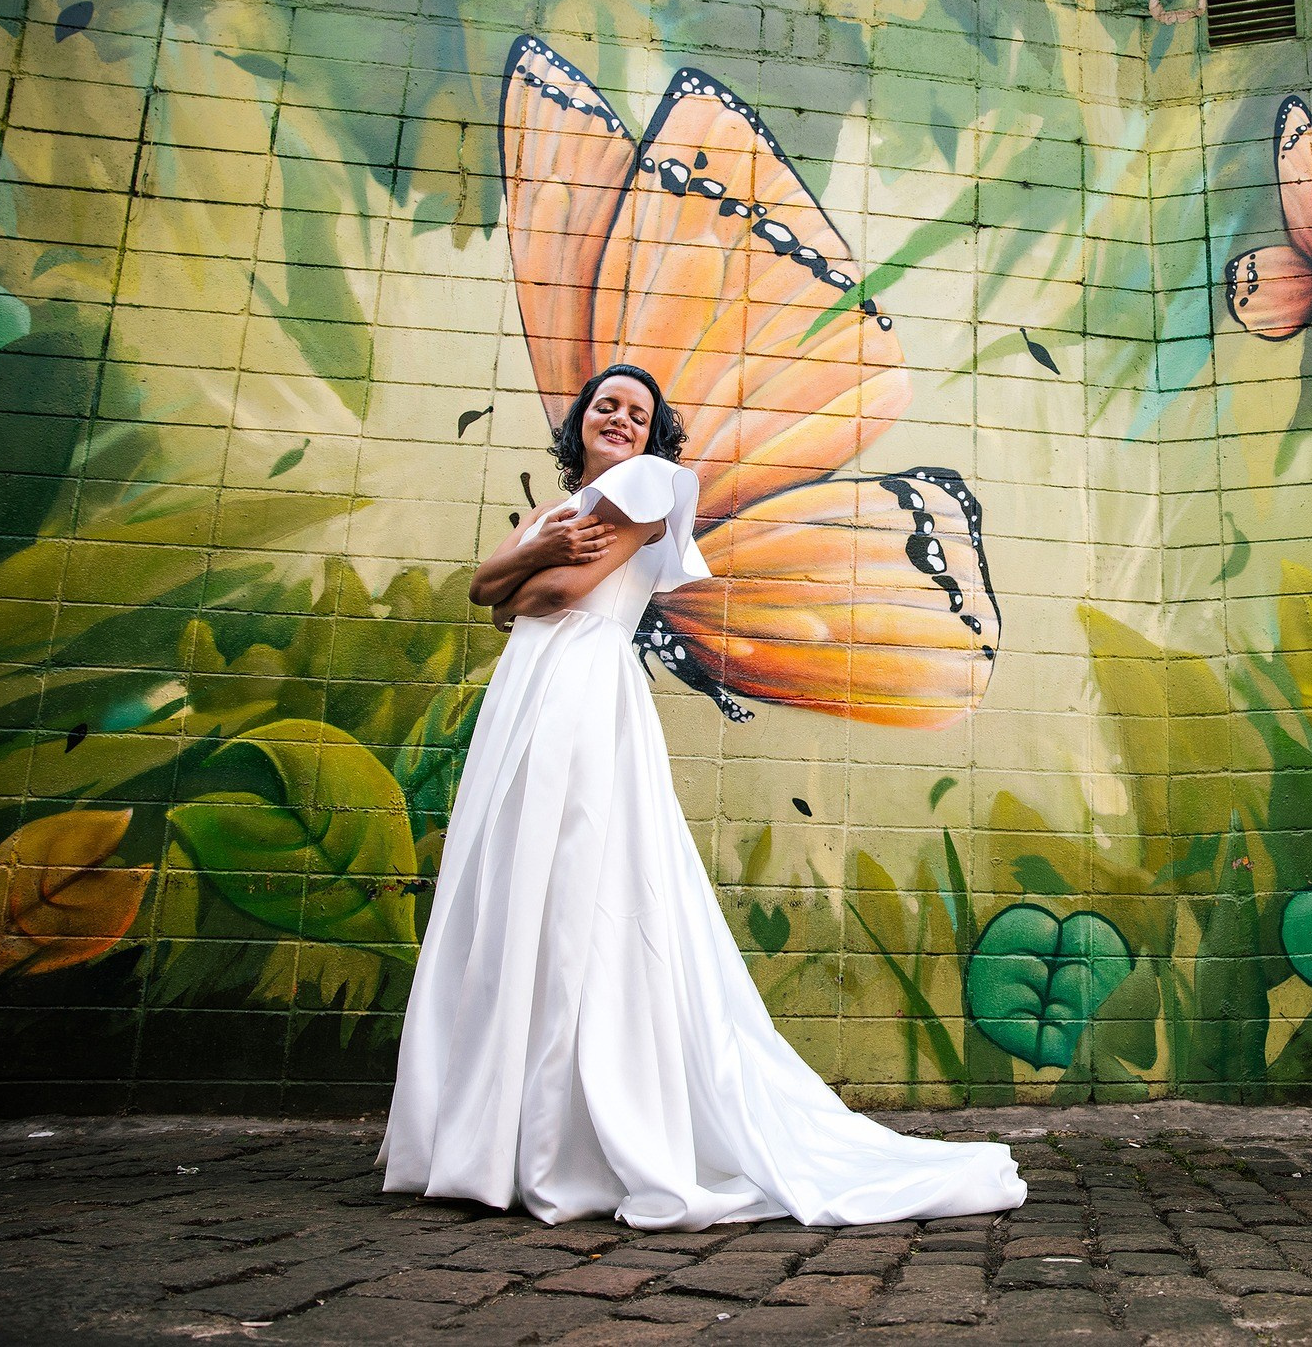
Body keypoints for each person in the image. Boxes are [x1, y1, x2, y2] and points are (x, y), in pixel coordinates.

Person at [379, 363, 1026, 1229]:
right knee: (510, 883)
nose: (619, 417)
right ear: (579, 422)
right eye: (604, 404)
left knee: (573, 884)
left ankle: (548, 1133)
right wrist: (533, 556)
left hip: (580, 691)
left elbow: (554, 596)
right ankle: (496, 1133)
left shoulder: (649, 485)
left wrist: (525, 571)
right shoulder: (559, 512)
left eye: (637, 411)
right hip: (527, 694)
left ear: (653, 434)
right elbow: (488, 595)